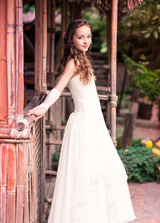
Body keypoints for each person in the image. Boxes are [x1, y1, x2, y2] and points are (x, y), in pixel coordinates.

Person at [27, 19, 136, 223]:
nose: (86, 41)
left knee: (99, 171)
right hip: (84, 124)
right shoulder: (74, 62)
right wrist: (43, 106)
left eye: (88, 36)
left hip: (94, 123)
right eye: (80, 37)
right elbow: (58, 89)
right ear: (71, 39)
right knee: (87, 175)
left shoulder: (83, 59)